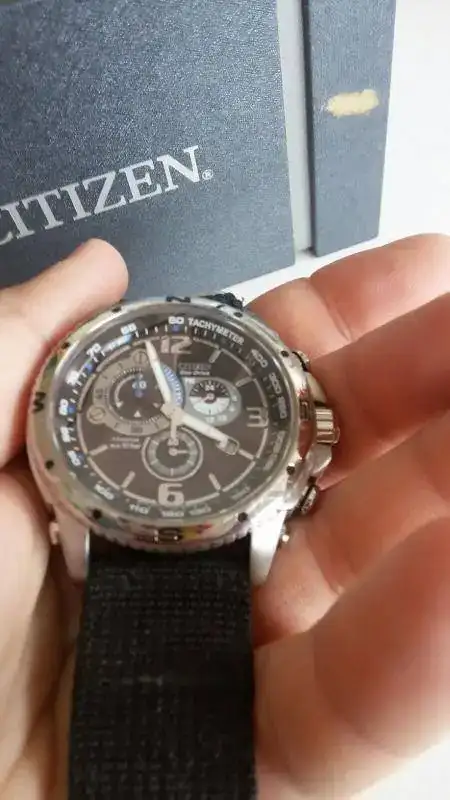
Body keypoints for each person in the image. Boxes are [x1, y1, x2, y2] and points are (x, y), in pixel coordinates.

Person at [1, 233, 450, 799]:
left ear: (313, 424)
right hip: (99, 526)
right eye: (161, 403)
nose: (173, 414)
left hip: (215, 535)